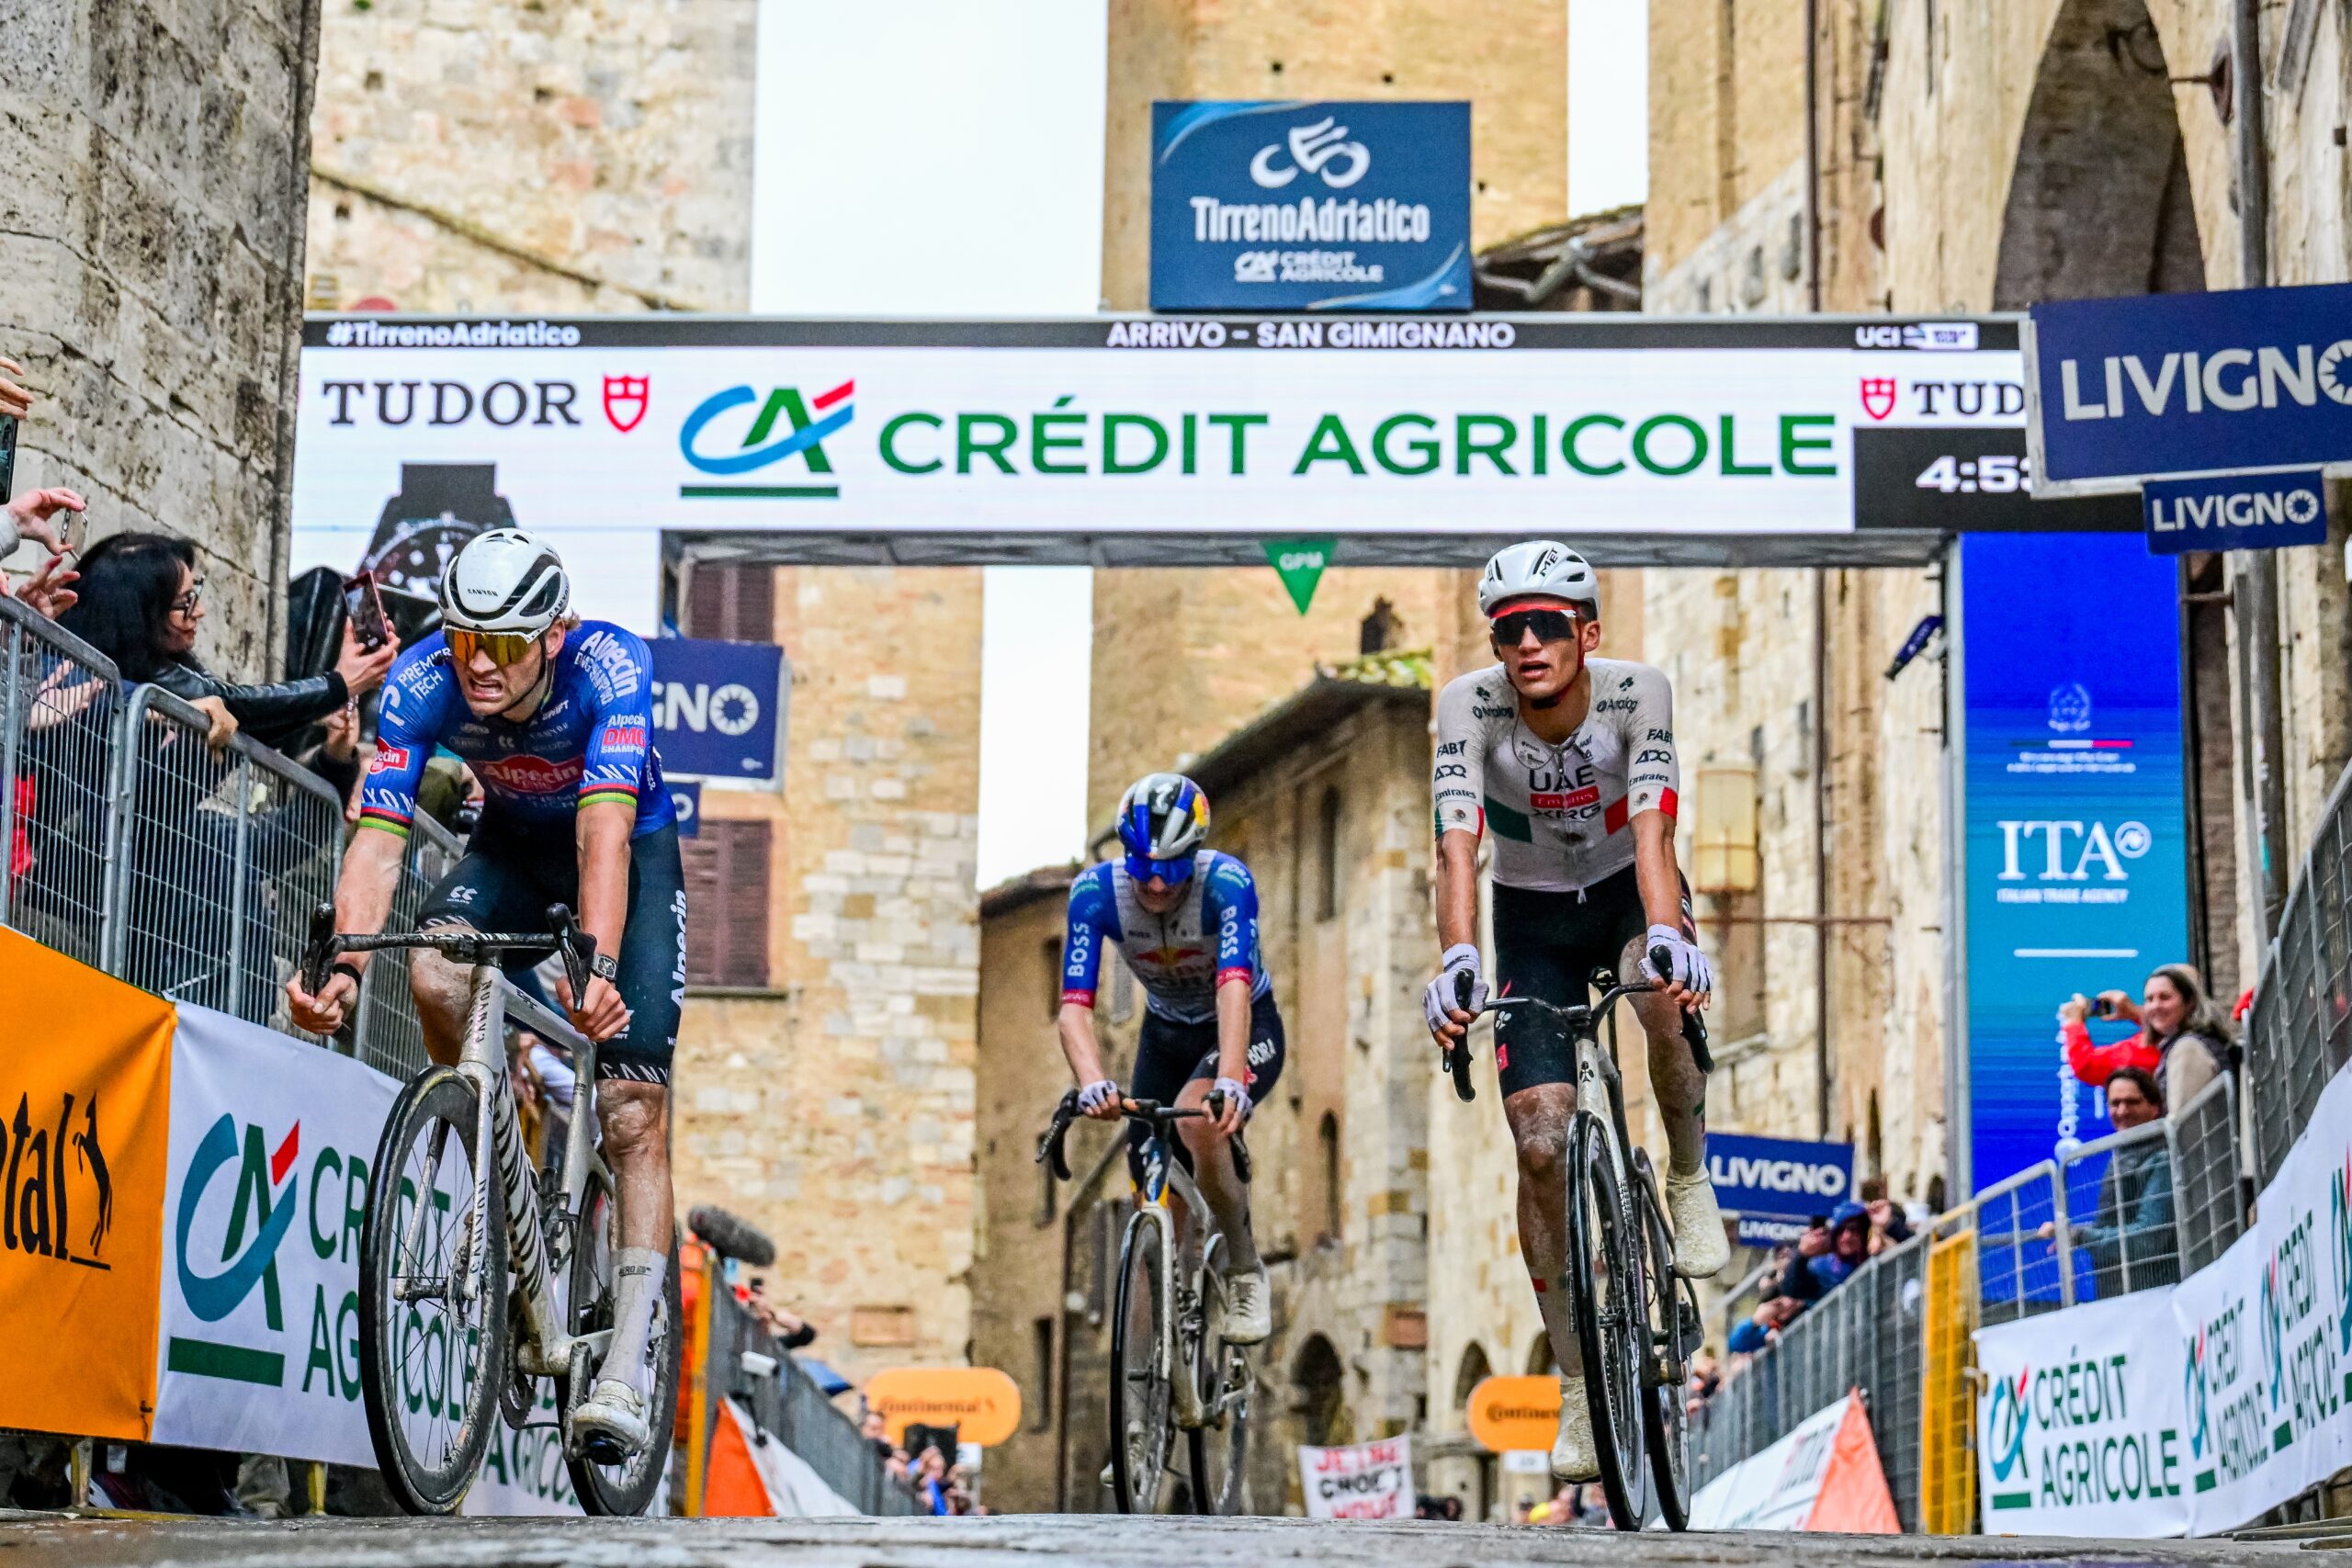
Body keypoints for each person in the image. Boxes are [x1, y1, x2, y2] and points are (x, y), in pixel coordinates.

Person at [283, 529, 685, 1462]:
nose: (481, 665)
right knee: (432, 964)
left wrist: (593, 967)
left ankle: (625, 1358)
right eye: (466, 638)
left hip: (627, 848)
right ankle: (484, 1141)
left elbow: (604, 843)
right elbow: (378, 842)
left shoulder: (612, 669)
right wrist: (340, 973)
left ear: (554, 635)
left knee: (633, 1109)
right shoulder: (424, 680)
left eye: (505, 644)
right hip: (507, 842)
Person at [1423, 540, 1725, 1483]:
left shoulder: (1640, 694)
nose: (1526, 644)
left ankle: (1684, 1172)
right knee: (1540, 1141)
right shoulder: (1465, 709)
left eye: (1547, 626)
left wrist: (1671, 932)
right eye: (1508, 630)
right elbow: (1454, 845)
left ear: (1586, 634)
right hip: (1531, 918)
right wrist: (1459, 958)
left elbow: (1653, 827)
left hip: (1629, 889)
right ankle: (1579, 1387)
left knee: (1656, 994)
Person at [1057, 773, 1281, 1345]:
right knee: (1149, 1187)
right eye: (1142, 865)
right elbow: (1074, 1009)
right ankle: (1158, 1365)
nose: (1156, 882)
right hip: (1165, 1032)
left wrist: (1230, 1077)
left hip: (1241, 1025)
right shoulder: (1094, 894)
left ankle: (1242, 1266)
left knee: (1200, 1117)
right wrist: (1092, 1084)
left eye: (1173, 866)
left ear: (1196, 852)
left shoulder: (1227, 884)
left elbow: (1233, 984)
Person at [60, 532, 398, 747]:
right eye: (184, 603)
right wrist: (339, 685)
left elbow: (240, 719)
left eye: (196, 594)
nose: (200, 611)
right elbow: (233, 703)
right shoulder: (86, 675)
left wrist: (331, 699)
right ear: (139, 616)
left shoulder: (158, 659)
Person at [2041, 1065, 2177, 1290]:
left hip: (2153, 1295)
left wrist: (2080, 1236)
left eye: (2132, 1102)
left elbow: (2148, 1238)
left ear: (2154, 1108)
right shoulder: (2121, 1155)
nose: (2122, 1111)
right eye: (2115, 1103)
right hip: (2125, 1294)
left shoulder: (2162, 1159)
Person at [2061, 963, 2231, 1121]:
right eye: (2149, 999)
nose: (2155, 1006)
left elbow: (2087, 1066)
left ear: (2190, 1000)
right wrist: (2135, 1014)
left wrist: (2073, 1023)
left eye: (2165, 996)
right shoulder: (2200, 1036)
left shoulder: (2187, 1047)